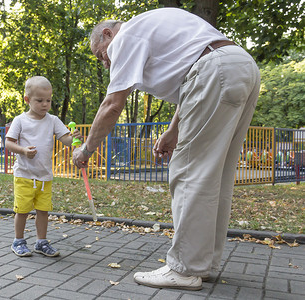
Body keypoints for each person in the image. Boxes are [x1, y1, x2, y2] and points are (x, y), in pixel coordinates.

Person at [72, 8, 260, 290]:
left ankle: (184, 269)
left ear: (108, 34)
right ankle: (203, 264)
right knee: (216, 177)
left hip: (214, 70)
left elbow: (112, 105)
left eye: (102, 56)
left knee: (188, 173)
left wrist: (86, 150)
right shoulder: (152, 27)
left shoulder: (126, 37)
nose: (107, 64)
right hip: (241, 67)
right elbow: (190, 79)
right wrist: (173, 130)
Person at [5, 76, 82, 257]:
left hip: (44, 176)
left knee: (43, 211)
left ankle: (41, 242)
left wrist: (74, 137)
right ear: (27, 100)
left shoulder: (53, 120)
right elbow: (8, 143)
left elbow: (67, 140)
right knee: (22, 210)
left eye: (48, 100)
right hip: (24, 174)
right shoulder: (20, 120)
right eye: (39, 100)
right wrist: (23, 150)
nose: (45, 104)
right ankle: (18, 241)